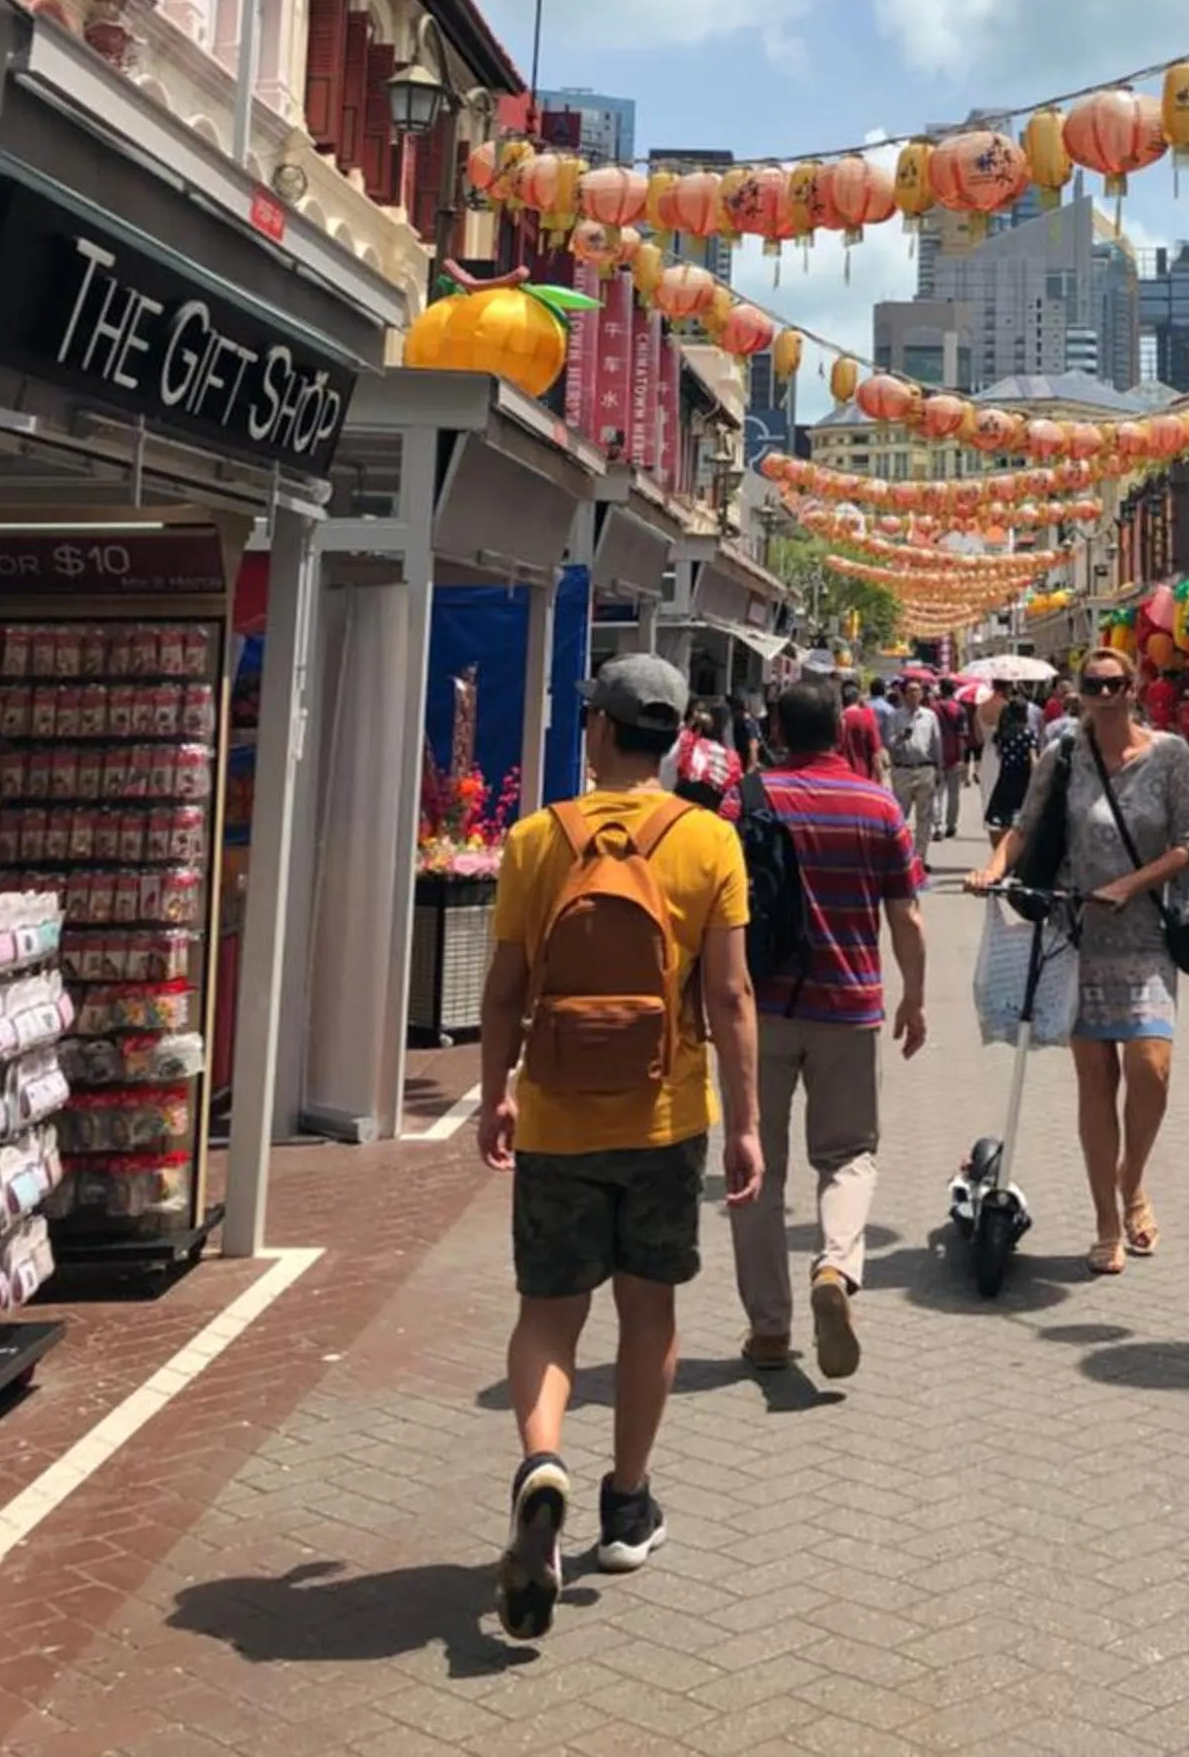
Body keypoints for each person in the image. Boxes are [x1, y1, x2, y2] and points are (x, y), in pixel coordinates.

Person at [477, 656, 762, 1639]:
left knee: (549, 1318)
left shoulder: (534, 840)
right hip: (666, 1115)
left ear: (595, 729)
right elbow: (729, 996)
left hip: (556, 1112)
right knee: (649, 1314)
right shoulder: (709, 840)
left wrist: (492, 1095)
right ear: (677, 737)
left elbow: (506, 988)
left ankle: (541, 1458)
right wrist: (750, 1121)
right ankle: (627, 1505)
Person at [971, 646, 1189, 1276]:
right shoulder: (1063, 754)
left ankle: (1134, 1181)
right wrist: (994, 866)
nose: (1105, 695)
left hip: (1146, 937)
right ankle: (1107, 1220)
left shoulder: (1171, 756)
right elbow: (1026, 824)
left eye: (1116, 684)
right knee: (1095, 1079)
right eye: (1094, 686)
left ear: (1134, 690)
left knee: (1151, 1067)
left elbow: (1187, 845)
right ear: (1079, 693)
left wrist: (1129, 885)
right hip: (1078, 935)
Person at [728, 679, 927, 1378]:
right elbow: (906, 915)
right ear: (844, 734)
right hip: (850, 1006)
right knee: (848, 1155)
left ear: (777, 727)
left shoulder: (745, 798)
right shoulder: (878, 805)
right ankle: (836, 1270)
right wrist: (916, 999)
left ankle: (769, 1331)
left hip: (761, 1009)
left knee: (757, 1168)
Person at [889, 675, 942, 869]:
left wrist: (939, 769)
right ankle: (902, 856)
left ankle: (920, 858)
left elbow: (936, 744)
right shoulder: (895, 717)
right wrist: (901, 737)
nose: (914, 694)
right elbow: (889, 744)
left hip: (925, 768)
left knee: (924, 816)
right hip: (903, 770)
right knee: (900, 816)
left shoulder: (930, 716)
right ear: (903, 694)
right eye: (910, 691)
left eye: (917, 691)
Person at [979, 677, 1035, 835]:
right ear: (1007, 687)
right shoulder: (1007, 707)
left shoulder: (981, 706)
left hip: (987, 754)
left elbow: (978, 737)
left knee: (990, 802)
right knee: (1008, 807)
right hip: (1005, 759)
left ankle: (995, 845)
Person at [933, 676, 971, 841]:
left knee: (937, 793)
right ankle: (951, 825)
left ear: (941, 690)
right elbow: (962, 736)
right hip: (955, 756)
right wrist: (963, 760)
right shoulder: (959, 709)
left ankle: (937, 826)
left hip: (936, 756)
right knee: (954, 794)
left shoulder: (932, 708)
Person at [838, 678, 886, 784]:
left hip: (840, 776)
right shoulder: (867, 716)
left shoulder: (836, 718)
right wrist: (881, 779)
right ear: (858, 697)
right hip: (862, 777)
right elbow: (875, 753)